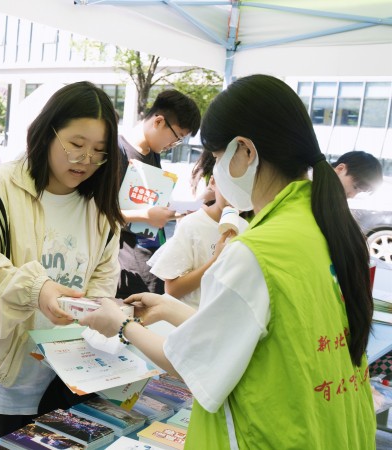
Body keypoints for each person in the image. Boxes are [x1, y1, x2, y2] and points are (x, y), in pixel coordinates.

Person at [81, 74, 375, 448]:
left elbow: (195, 361)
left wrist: (122, 325)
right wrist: (170, 308)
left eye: (218, 158)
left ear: (246, 151)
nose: (216, 170)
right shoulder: (323, 227)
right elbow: (262, 333)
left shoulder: (257, 251)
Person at [0, 82, 126, 448]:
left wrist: (99, 312)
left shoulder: (100, 211)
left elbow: (102, 281)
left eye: (98, 151)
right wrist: (37, 290)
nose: (85, 160)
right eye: (76, 145)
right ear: (47, 131)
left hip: (66, 383)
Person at [117, 90, 201, 298]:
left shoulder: (153, 154)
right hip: (125, 267)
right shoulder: (119, 153)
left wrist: (175, 214)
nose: (172, 146)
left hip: (151, 261)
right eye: (177, 138)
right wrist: (146, 216)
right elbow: (99, 214)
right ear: (159, 122)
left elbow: (149, 206)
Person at [146, 176, 234, 308]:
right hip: (189, 315)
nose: (235, 195)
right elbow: (172, 289)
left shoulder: (247, 228)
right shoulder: (192, 224)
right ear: (213, 182)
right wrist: (215, 260)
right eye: (231, 183)